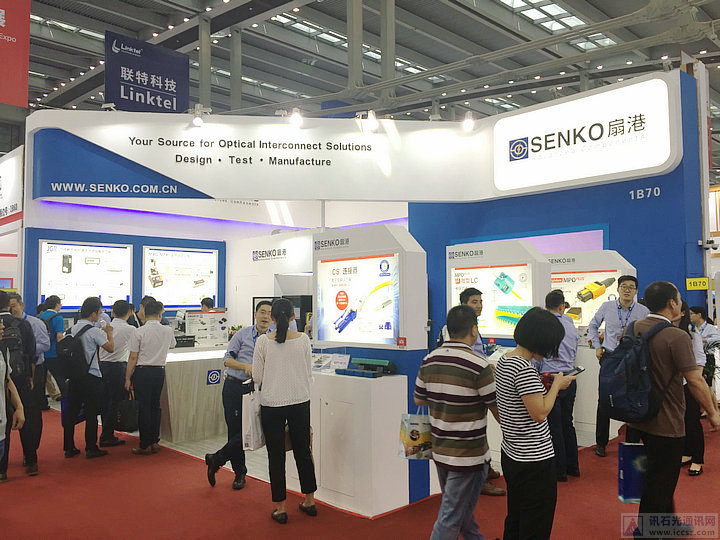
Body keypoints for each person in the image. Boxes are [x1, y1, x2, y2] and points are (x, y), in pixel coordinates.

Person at [628, 282, 720, 520]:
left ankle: (668, 523)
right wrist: (713, 412)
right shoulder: (676, 336)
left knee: (656, 475)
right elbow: (695, 380)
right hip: (667, 420)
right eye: (678, 299)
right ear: (672, 303)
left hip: (639, 414)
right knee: (660, 482)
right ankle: (647, 532)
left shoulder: (634, 327)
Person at [414, 304, 499, 540]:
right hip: (468, 454)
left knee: (460, 511)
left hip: (440, 448)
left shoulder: (429, 360)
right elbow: (496, 408)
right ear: (474, 330)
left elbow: (419, 399)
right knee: (451, 516)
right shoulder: (479, 365)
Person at [495, 307, 575, 540]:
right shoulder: (524, 369)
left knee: (516, 514)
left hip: (512, 452)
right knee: (537, 520)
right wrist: (556, 386)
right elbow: (539, 413)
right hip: (534, 459)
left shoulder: (506, 360)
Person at [437, 287, 505, 496]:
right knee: (472, 435)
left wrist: (485, 365)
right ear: (463, 304)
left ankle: (486, 468)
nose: (479, 305)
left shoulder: (475, 328)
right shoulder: (452, 329)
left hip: (477, 384)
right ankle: (480, 479)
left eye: (480, 301)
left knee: (480, 431)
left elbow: (474, 355)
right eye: (474, 302)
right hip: (464, 389)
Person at [253, 298, 316, 525]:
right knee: (303, 451)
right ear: (293, 317)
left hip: (271, 404)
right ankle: (309, 500)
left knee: (276, 455)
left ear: (271, 317)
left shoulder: (263, 341)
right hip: (300, 401)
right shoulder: (304, 340)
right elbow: (308, 371)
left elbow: (257, 376)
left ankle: (280, 508)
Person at [205, 300, 272, 490]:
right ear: (255, 314)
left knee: (254, 429)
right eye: (262, 312)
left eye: (269, 313)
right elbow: (227, 359)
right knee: (235, 431)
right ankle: (239, 473)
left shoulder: (274, 338)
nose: (265, 316)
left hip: (259, 390)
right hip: (235, 387)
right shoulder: (242, 334)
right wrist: (245, 366)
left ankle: (216, 459)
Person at [587, 275, 650, 456]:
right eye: (624, 286)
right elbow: (593, 326)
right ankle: (601, 443)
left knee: (632, 397)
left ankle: (631, 441)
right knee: (604, 398)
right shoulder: (607, 306)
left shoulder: (643, 311)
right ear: (618, 289)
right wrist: (597, 346)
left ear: (636, 291)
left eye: (631, 287)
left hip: (632, 359)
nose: (627, 290)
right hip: (610, 356)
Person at [65, 296, 115, 459]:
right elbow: (110, 348)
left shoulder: (71, 330)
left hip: (74, 377)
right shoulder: (94, 331)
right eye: (99, 312)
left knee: (71, 412)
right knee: (92, 413)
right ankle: (91, 447)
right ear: (93, 313)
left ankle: (69, 447)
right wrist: (109, 333)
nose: (99, 316)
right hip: (91, 377)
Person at [538, 290, 579, 482]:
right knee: (567, 422)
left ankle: (559, 470)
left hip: (550, 379)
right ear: (562, 306)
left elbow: (539, 357)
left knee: (554, 426)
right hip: (570, 377)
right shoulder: (570, 325)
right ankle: (573, 466)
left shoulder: (544, 326)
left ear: (546, 306)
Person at [125, 299, 175, 455]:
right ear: (160, 314)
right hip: (159, 371)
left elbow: (133, 357)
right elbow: (172, 345)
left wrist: (127, 378)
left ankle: (145, 444)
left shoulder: (139, 332)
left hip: (143, 372)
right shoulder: (168, 330)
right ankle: (154, 441)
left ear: (144, 314)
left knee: (144, 407)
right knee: (155, 406)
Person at [0, 291, 39, 479]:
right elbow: (32, 352)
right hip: (20, 376)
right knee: (26, 419)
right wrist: (30, 377)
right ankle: (31, 461)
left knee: (3, 421)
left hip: (2, 379)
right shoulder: (23, 324)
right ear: (9, 304)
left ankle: (2, 469)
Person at [99, 300, 136, 447]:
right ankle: (107, 435)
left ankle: (106, 432)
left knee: (105, 401)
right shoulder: (131, 329)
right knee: (115, 403)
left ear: (113, 312)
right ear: (129, 312)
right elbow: (134, 352)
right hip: (118, 367)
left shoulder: (104, 327)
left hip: (102, 366)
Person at [677, 301, 707, 477]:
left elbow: (700, 357)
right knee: (679, 421)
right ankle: (686, 452)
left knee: (692, 420)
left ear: (682, 313)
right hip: (671, 385)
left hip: (689, 383)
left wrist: (694, 380)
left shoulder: (691, 330)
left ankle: (697, 458)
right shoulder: (664, 328)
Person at [1, 319, 26, 476]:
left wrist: (19, 407)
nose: (3, 326)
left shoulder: (3, 349)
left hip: (2, 422)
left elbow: (7, 379)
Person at [39, 295, 67, 399]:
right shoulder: (58, 317)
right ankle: (66, 402)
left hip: (41, 353)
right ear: (57, 304)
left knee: (41, 381)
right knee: (60, 379)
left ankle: (42, 403)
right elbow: (59, 336)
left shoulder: (40, 316)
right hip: (53, 353)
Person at [689, 305, 720, 385]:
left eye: (691, 314)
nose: (690, 316)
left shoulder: (710, 327)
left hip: (708, 357)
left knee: (707, 384)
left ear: (699, 315)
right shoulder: (692, 328)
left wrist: (704, 340)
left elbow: (717, 339)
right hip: (695, 357)